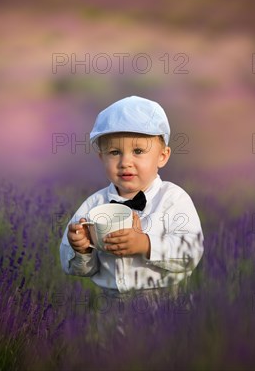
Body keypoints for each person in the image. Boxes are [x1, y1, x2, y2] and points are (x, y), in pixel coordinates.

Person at [59, 96, 204, 316]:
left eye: (138, 151)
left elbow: (191, 251)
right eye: (114, 152)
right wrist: (81, 249)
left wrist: (145, 244)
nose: (125, 161)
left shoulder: (173, 199)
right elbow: (77, 269)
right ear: (101, 157)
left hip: (165, 304)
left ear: (162, 156)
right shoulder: (94, 205)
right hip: (112, 307)